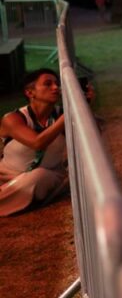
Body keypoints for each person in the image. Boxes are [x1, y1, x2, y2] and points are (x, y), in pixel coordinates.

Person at [0, 70, 81, 216]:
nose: (56, 88)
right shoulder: (13, 118)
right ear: (30, 93)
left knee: (40, 176)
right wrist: (67, 116)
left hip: (47, 177)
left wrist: (84, 107)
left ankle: (21, 199)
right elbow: (37, 143)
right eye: (48, 84)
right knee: (36, 178)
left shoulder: (61, 114)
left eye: (57, 84)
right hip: (6, 177)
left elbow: (93, 137)